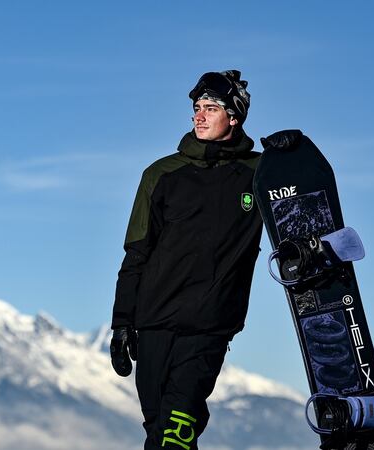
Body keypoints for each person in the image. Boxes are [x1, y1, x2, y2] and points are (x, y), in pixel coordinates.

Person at [110, 70, 264, 449]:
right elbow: (137, 252)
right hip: (154, 322)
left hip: (209, 325)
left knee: (176, 430)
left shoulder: (258, 173)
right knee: (158, 428)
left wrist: (294, 157)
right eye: (197, 108)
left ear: (234, 117)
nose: (199, 115)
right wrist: (122, 323)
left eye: (211, 108)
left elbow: (301, 193)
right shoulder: (161, 174)